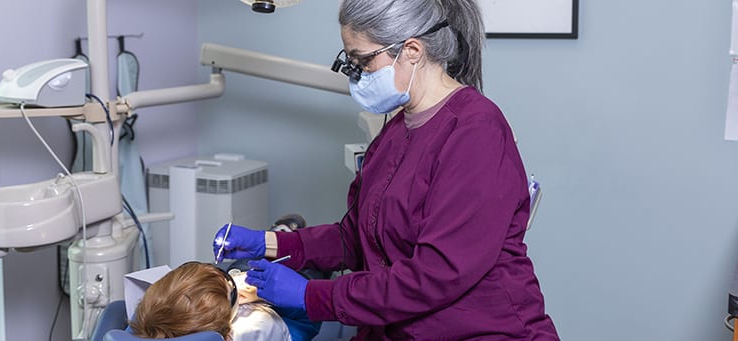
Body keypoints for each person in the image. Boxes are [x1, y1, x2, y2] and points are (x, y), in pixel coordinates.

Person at [213, 0, 560, 339]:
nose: (356, 74)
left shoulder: (476, 131)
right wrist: (268, 243)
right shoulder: (395, 132)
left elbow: (436, 275)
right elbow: (358, 238)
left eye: (363, 61)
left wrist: (312, 295)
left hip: (480, 330)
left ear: (412, 51)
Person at [129, 262, 291, 340]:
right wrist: (260, 295)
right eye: (231, 292)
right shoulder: (258, 324)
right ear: (226, 332)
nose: (232, 282)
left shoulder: (148, 316)